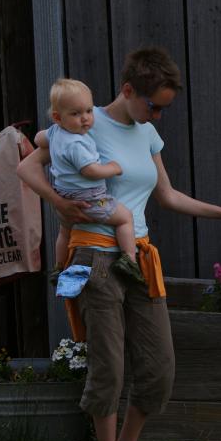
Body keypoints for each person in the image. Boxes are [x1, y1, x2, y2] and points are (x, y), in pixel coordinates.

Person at [17, 46, 221, 441]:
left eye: (164, 108)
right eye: (154, 106)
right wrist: (58, 203)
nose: (158, 116)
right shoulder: (83, 119)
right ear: (128, 89)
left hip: (140, 258)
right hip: (95, 260)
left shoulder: (147, 134)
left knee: (158, 367)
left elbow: (167, 195)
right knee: (109, 367)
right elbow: (27, 168)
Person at [37, 78, 143, 288]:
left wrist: (46, 137)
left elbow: (39, 139)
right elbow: (91, 171)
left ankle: (59, 267)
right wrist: (113, 168)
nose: (85, 118)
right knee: (125, 217)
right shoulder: (76, 143)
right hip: (91, 199)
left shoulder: (56, 132)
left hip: (65, 195)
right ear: (58, 117)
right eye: (75, 114)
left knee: (64, 231)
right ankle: (129, 259)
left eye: (88, 111)